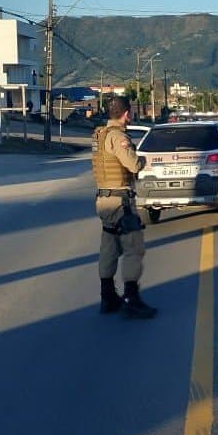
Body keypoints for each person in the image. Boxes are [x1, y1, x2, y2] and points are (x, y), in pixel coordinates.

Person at [91, 95, 157, 318]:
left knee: (109, 246)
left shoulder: (100, 135)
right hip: (121, 201)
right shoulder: (119, 137)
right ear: (127, 113)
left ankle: (107, 295)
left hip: (103, 200)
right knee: (133, 247)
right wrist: (142, 161)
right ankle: (131, 297)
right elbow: (132, 164)